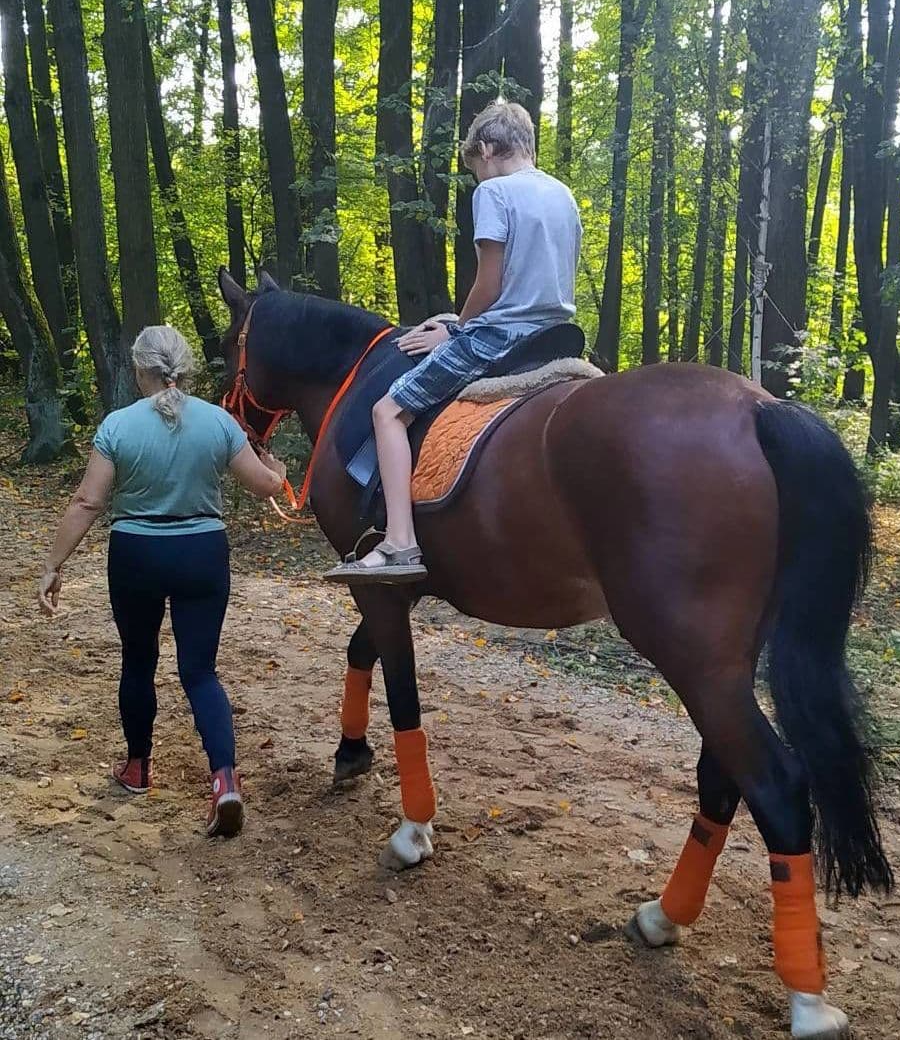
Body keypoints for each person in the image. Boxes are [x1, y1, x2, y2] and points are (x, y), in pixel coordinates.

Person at [36, 325, 287, 838]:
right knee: (200, 672)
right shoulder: (218, 422)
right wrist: (277, 471)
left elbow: (88, 502)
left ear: (137, 370)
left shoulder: (118, 425)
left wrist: (53, 566)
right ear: (186, 369)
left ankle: (137, 768)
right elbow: (264, 486)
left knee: (138, 660)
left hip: (138, 554)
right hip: (202, 554)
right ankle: (224, 781)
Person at [325, 99, 582, 585]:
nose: (477, 181)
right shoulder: (563, 195)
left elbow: (489, 286)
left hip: (501, 336)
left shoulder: (496, 193)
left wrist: (456, 329)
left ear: (485, 148)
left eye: (475, 170)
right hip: (556, 337)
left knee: (387, 412)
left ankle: (400, 542)